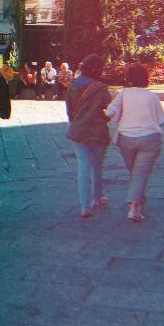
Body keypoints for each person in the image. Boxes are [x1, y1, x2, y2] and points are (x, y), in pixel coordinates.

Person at [105, 62, 164, 222]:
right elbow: (162, 120)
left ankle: (138, 201)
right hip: (149, 139)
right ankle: (134, 207)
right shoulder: (151, 96)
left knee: (135, 171)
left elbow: (110, 111)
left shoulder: (123, 93)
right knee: (140, 172)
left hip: (126, 139)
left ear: (129, 78)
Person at [65, 54, 113, 219]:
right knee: (97, 167)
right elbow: (109, 110)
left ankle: (85, 207)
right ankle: (97, 198)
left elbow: (70, 111)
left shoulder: (72, 85)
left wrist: (77, 122)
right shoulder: (101, 87)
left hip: (78, 131)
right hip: (98, 131)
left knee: (83, 168)